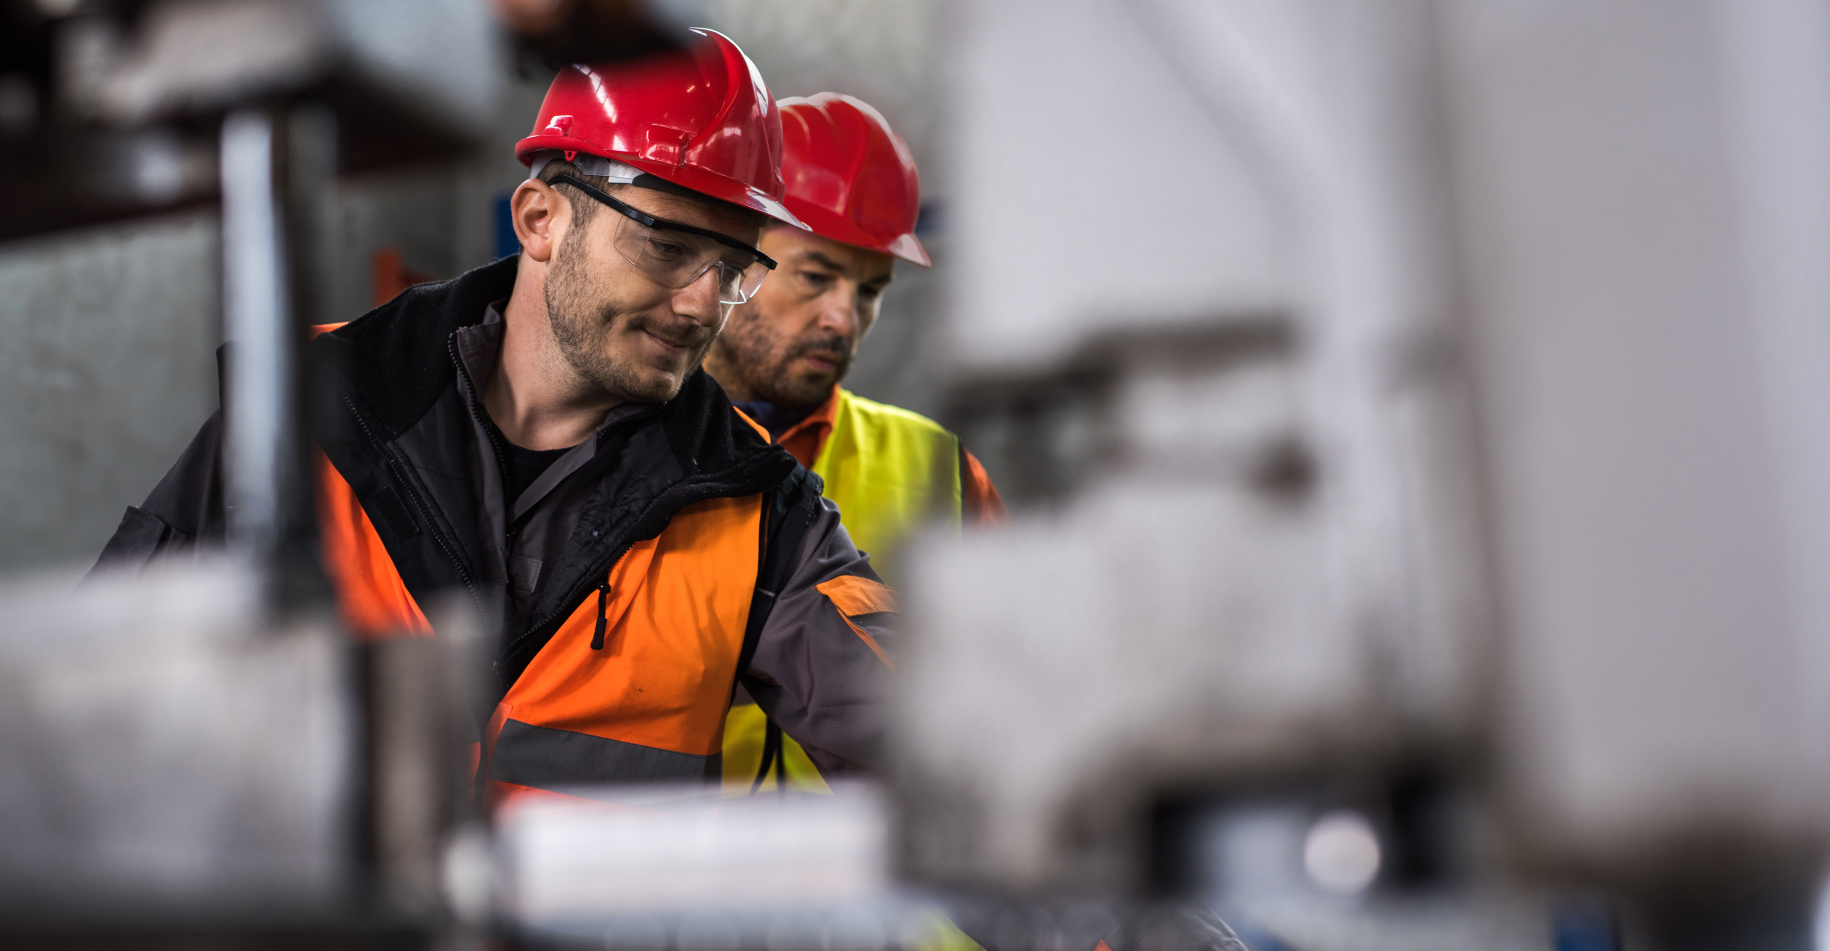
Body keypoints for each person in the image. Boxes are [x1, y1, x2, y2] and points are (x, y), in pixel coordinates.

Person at [90, 31, 896, 802]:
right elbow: (103, 702)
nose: (698, 305)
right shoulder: (306, 405)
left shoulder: (760, 505)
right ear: (540, 218)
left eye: (731, 268)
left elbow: (916, 730)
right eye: (666, 246)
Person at [700, 93, 1004, 792]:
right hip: (670, 884)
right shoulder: (608, 448)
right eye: (815, 275)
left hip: (890, 894)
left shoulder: (942, 470)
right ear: (733, 257)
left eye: (870, 290)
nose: (843, 318)